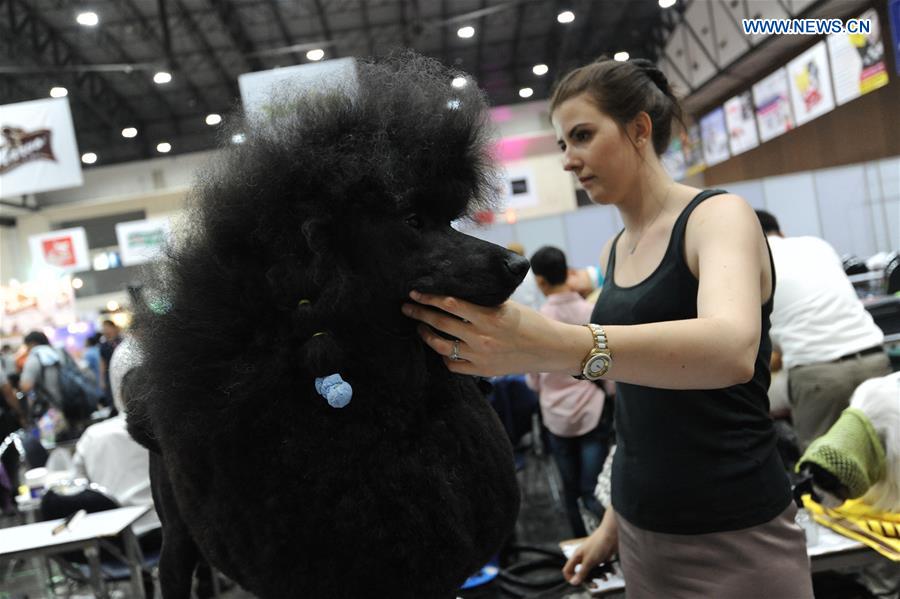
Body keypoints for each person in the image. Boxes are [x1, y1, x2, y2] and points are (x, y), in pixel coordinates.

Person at [402, 57, 813, 597]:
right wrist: (612, 526)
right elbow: (640, 414)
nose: (568, 160)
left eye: (582, 136)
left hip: (735, 528)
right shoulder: (613, 252)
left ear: (639, 128)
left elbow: (732, 350)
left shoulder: (717, 217)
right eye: (561, 144)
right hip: (643, 533)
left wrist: (559, 345)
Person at [756, 210, 890, 449]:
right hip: (874, 359)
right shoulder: (816, 245)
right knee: (885, 452)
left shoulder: (754, 265)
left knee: (824, 461)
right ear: (781, 232)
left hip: (818, 375)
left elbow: (764, 344)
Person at [526, 245, 609, 538]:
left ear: (540, 281)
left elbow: (533, 380)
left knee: (570, 490)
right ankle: (610, 548)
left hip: (556, 416)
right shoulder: (592, 311)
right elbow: (611, 367)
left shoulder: (537, 322)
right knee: (595, 488)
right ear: (567, 271)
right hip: (593, 408)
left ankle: (580, 550)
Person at [73, 335, 161, 539]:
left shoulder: (94, 437)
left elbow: (77, 490)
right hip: (176, 535)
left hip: (118, 541)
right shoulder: (175, 433)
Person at [98, 320, 123, 406]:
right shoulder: (103, 345)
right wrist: (102, 379)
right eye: (104, 329)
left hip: (122, 371)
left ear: (113, 328)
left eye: (107, 328)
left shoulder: (122, 341)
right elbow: (102, 362)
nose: (105, 331)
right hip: (110, 374)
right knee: (113, 396)